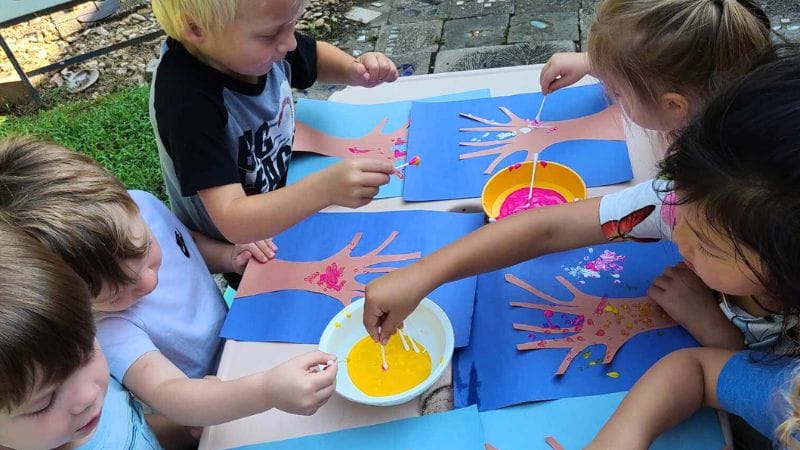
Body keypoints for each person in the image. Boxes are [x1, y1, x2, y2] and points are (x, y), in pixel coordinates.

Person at [367, 48, 800, 443]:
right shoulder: (693, 199)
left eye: (706, 245)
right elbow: (547, 229)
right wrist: (423, 274)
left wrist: (713, 329)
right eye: (678, 215)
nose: (674, 235)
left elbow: (753, 400)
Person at [0, 137, 338, 429]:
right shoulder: (107, 331)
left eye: (145, 250)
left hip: (241, 335)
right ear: (61, 294)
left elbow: (183, 241)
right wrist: (266, 390)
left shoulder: (140, 206)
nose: (148, 282)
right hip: (222, 395)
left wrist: (226, 255)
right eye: (118, 292)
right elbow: (173, 395)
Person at [150, 0, 399, 249]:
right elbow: (232, 218)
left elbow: (312, 55)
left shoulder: (260, 39)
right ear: (196, 28)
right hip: (242, 244)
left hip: (284, 192)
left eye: (294, 24)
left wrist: (352, 70)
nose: (290, 43)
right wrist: (324, 190)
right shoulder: (186, 101)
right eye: (270, 34)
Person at [0, 223, 162, 450]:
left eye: (87, 354)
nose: (88, 395)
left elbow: (130, 426)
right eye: (43, 403)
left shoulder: (77, 395)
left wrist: (186, 429)